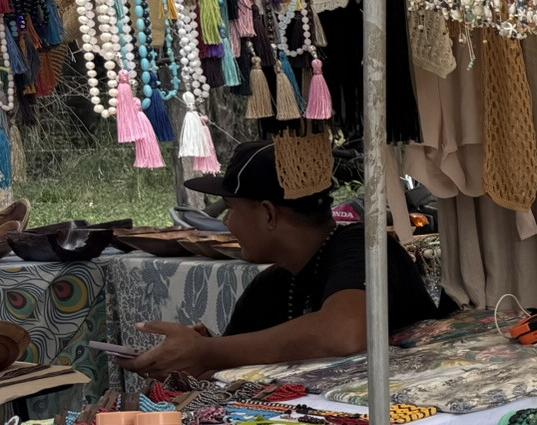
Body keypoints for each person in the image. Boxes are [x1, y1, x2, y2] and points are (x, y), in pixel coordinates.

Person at [128, 141, 439, 377]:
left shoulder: (363, 247)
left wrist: (209, 351)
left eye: (230, 209)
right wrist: (195, 357)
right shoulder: (270, 287)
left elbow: (344, 335)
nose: (227, 223)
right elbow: (229, 361)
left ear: (268, 214)